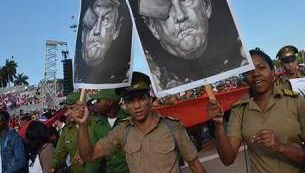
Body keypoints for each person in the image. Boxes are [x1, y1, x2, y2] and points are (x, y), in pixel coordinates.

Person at [138, 0, 247, 90]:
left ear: (206, 5)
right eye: (165, 6)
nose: (180, 16)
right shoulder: (158, 80)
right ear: (152, 27)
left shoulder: (240, 54)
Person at [207, 47, 305, 173]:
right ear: (244, 77)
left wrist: (280, 147)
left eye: (261, 68)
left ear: (273, 72)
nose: (255, 74)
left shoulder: (297, 102)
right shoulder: (239, 110)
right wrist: (218, 124)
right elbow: (227, 159)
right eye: (249, 71)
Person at [73, 72, 206, 173]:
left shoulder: (173, 127)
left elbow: (194, 164)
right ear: (124, 103)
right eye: (130, 101)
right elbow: (89, 155)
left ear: (150, 99)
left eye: (141, 99)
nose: (136, 106)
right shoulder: (122, 131)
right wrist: (83, 124)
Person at [74, 0, 130, 84]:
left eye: (105, 20)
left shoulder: (120, 75)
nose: (96, 30)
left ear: (116, 30)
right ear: (83, 31)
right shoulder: (76, 73)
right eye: (93, 18)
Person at [86, 89, 129, 173]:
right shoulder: (98, 125)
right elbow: (95, 158)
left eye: (98, 101)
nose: (95, 104)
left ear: (109, 102)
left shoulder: (130, 119)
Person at [50, 92, 85, 173]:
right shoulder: (66, 130)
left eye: (71, 108)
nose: (68, 112)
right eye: (67, 109)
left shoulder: (96, 125)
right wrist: (52, 167)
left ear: (82, 107)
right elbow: (59, 153)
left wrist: (89, 155)